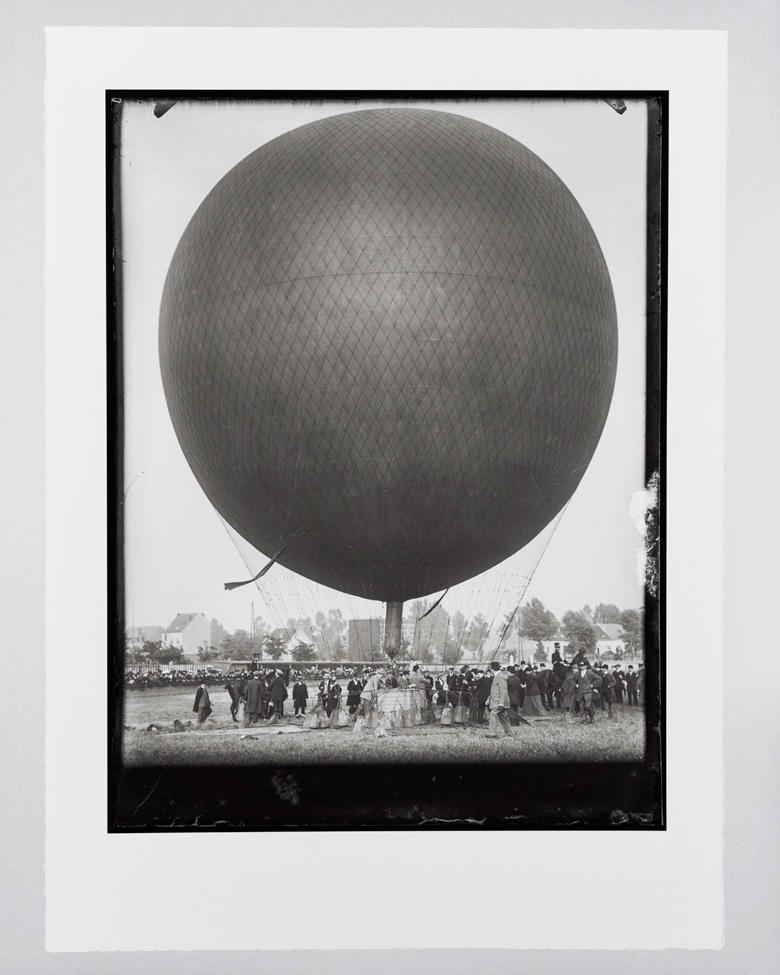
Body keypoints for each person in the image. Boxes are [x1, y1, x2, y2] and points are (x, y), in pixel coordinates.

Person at [486, 661, 510, 738]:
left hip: (499, 702)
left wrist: (501, 703)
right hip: (498, 701)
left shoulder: (500, 676)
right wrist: (489, 698)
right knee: (503, 718)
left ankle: (493, 733)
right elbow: (495, 690)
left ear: (492, 669)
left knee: (493, 714)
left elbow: (503, 690)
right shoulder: (498, 676)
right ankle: (508, 733)